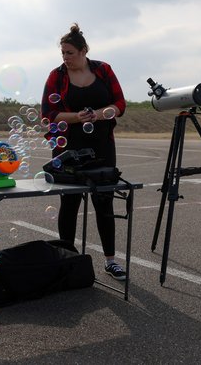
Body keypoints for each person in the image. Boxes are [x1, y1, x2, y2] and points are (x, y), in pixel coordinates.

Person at [41, 23, 127, 280]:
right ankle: (68, 260)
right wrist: (78, 117)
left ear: (83, 51)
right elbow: (49, 115)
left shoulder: (103, 69)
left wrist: (98, 115)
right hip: (67, 149)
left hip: (102, 146)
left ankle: (111, 261)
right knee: (69, 203)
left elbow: (120, 104)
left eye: (70, 53)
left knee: (104, 202)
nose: (65, 58)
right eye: (63, 53)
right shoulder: (57, 76)